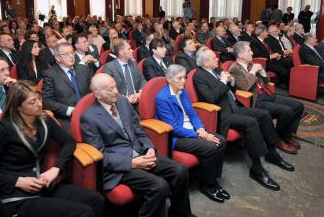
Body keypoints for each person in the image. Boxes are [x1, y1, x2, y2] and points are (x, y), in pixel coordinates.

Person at [0, 81, 103, 217]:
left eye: (39, 98)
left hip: (43, 188)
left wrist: (55, 168)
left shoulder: (45, 120)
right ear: (18, 107)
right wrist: (17, 181)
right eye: (32, 102)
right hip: (17, 198)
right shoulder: (4, 130)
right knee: (83, 212)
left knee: (96, 200)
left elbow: (69, 142)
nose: (39, 104)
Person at [81, 73, 195, 217]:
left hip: (140, 151)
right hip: (120, 166)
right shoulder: (89, 117)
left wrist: (149, 149)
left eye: (115, 86)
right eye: (110, 89)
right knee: (159, 186)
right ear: (97, 94)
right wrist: (132, 163)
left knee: (180, 170)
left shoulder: (122, 101)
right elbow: (100, 155)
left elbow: (138, 130)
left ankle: (180, 213)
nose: (116, 91)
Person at [193, 47, 293, 191]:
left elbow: (231, 91)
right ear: (204, 62)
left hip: (234, 107)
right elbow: (210, 98)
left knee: (264, 114)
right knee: (251, 122)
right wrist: (222, 82)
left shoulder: (216, 70)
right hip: (221, 114)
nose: (217, 59)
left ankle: (272, 153)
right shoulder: (199, 75)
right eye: (213, 58)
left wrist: (231, 81)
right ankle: (257, 169)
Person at [155, 64, 229, 203]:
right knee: (210, 146)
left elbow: (192, 113)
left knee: (222, 141)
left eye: (185, 77)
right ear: (169, 79)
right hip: (177, 137)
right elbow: (173, 127)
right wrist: (199, 135)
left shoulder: (182, 91)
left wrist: (200, 128)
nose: (183, 81)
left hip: (192, 130)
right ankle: (207, 185)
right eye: (179, 78)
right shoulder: (162, 98)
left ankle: (213, 180)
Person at [230, 42, 303, 152]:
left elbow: (266, 81)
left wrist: (262, 71)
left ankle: (287, 135)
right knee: (286, 111)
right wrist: (253, 71)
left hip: (266, 93)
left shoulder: (250, 64)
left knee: (298, 106)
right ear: (240, 55)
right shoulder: (234, 69)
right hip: (255, 100)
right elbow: (244, 87)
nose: (252, 52)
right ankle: (278, 140)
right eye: (249, 51)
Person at [42, 43, 92, 131]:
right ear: (57, 58)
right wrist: (70, 110)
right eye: (66, 54)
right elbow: (46, 101)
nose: (71, 56)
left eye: (72, 53)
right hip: (67, 117)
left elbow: (91, 91)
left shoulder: (82, 69)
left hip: (88, 112)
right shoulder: (50, 74)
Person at [103, 40, 146, 110]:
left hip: (138, 101)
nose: (132, 51)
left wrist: (139, 93)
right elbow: (109, 90)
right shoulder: (109, 68)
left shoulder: (133, 63)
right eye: (129, 49)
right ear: (121, 53)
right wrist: (125, 99)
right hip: (120, 105)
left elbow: (142, 80)